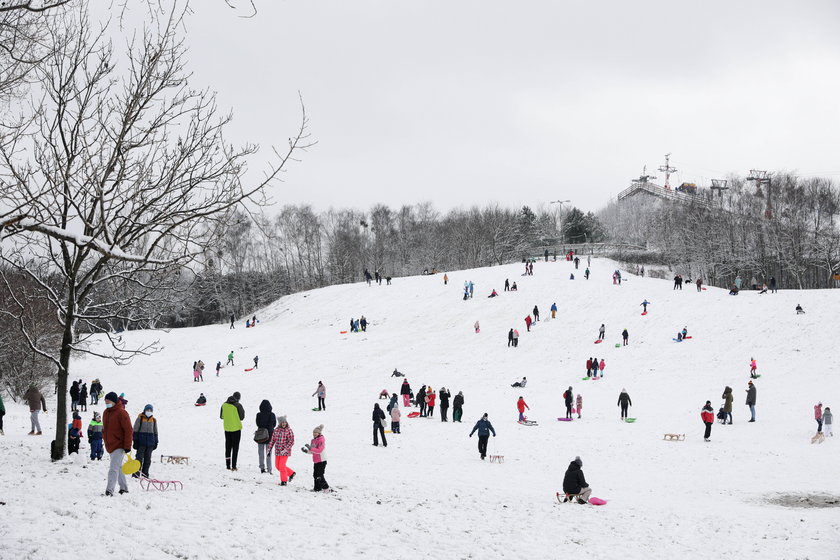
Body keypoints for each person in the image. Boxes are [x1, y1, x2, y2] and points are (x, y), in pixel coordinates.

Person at [102, 391, 132, 496]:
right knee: (118, 467)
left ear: (114, 401)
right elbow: (105, 428)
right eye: (105, 401)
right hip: (110, 444)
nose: (106, 403)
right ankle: (124, 488)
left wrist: (127, 446)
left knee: (113, 468)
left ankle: (109, 490)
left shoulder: (122, 413)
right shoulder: (106, 412)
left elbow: (128, 430)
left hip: (119, 445)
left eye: (108, 401)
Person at [267, 415, 295, 485]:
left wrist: (285, 449)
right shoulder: (276, 430)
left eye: (285, 422)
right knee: (277, 466)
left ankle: (284, 481)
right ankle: (291, 473)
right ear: (279, 423)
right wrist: (269, 449)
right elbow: (272, 440)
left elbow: (291, 441)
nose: (283, 424)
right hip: (278, 451)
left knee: (282, 466)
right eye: (282, 423)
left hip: (285, 452)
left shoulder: (289, 430)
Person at [220, 391, 245, 470]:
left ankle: (227, 465)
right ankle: (233, 466)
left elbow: (221, 416)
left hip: (227, 428)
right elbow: (242, 417)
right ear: (238, 398)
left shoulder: (224, 405)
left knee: (227, 447)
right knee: (235, 448)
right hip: (236, 428)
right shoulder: (238, 405)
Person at [132, 404, 159, 479]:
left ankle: (145, 474)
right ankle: (136, 473)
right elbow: (135, 430)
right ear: (144, 410)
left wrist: (156, 442)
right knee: (139, 458)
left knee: (147, 459)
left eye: (150, 410)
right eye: (147, 410)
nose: (149, 412)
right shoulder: (140, 418)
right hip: (141, 442)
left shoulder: (154, 420)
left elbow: (155, 432)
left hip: (150, 443)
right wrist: (135, 440)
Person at [303, 424, 329, 492]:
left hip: (322, 460)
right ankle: (317, 488)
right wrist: (306, 451)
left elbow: (319, 450)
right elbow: (313, 451)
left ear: (319, 433)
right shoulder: (313, 441)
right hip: (316, 461)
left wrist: (311, 448)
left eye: (316, 432)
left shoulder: (321, 440)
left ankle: (326, 488)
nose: (314, 434)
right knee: (315, 475)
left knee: (319, 475)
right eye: (313, 432)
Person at [256, 400, 276, 474]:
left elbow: (257, 424)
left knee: (260, 453)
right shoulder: (272, 415)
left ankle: (262, 468)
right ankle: (269, 469)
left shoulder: (258, 414)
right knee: (269, 454)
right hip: (270, 436)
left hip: (260, 435)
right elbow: (274, 424)